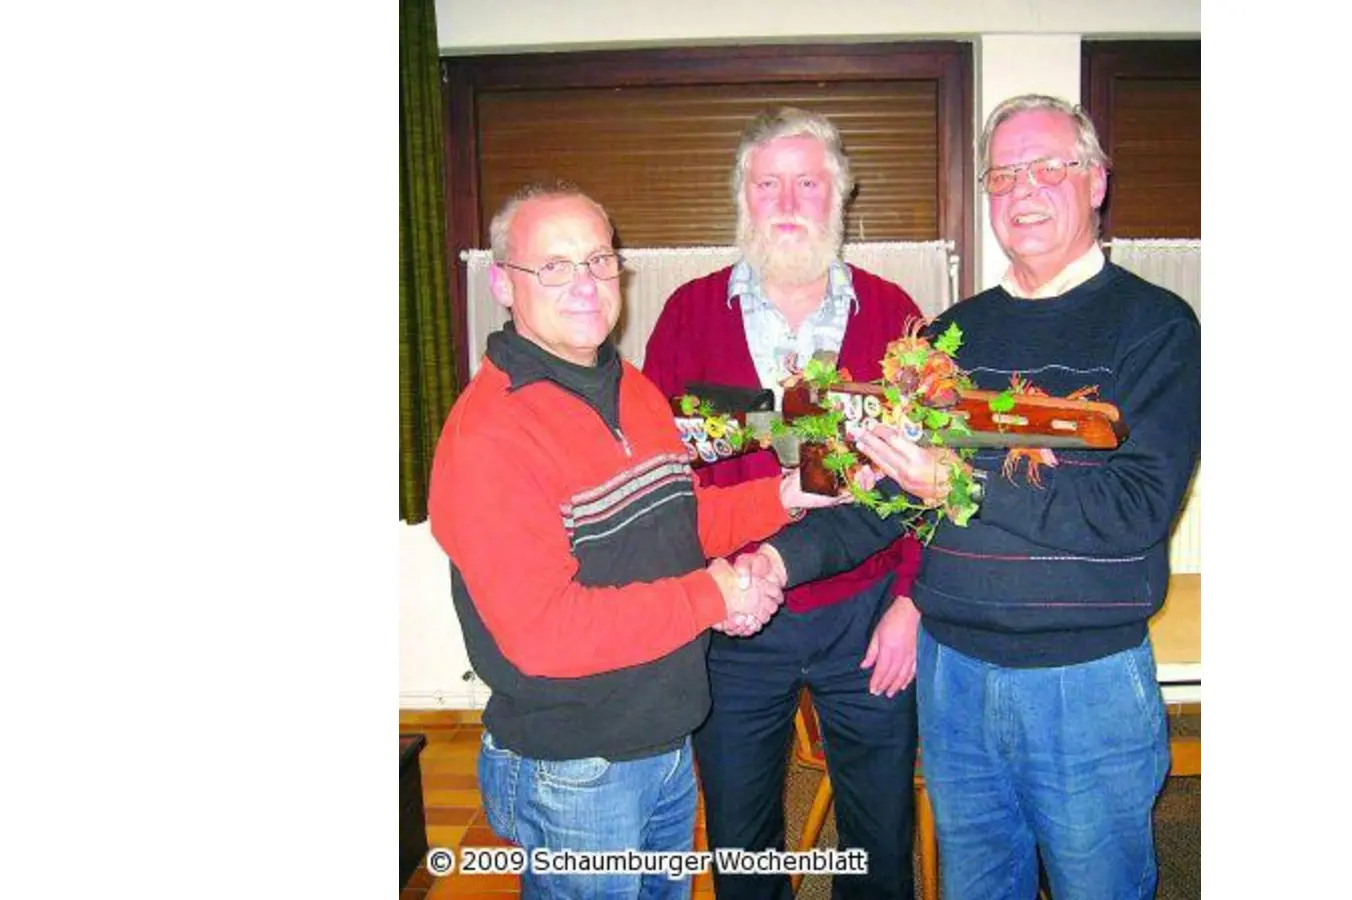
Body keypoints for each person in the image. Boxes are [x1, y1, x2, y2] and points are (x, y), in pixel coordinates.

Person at [735, 95, 1201, 900]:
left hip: (1082, 685)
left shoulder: (1156, 326)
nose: (1025, 189)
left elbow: (1137, 510)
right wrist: (776, 558)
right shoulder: (951, 334)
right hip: (954, 679)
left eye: (1050, 166)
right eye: (1004, 173)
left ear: (1096, 181)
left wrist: (959, 481)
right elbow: (889, 499)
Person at [429, 182, 850, 900]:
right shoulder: (489, 436)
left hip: (665, 739)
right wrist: (713, 595)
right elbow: (545, 633)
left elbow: (673, 521)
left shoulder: (630, 386)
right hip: (577, 768)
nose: (585, 284)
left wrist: (780, 498)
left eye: (598, 260)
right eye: (554, 266)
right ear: (502, 283)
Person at [642, 107, 925, 900]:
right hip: (735, 618)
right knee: (740, 839)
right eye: (768, 184)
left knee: (881, 836)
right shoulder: (687, 315)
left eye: (808, 183)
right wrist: (712, 587)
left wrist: (912, 602)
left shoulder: (895, 313)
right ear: (744, 196)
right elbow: (665, 477)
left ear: (841, 194)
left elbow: (925, 476)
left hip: (867, 614)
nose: (789, 202)